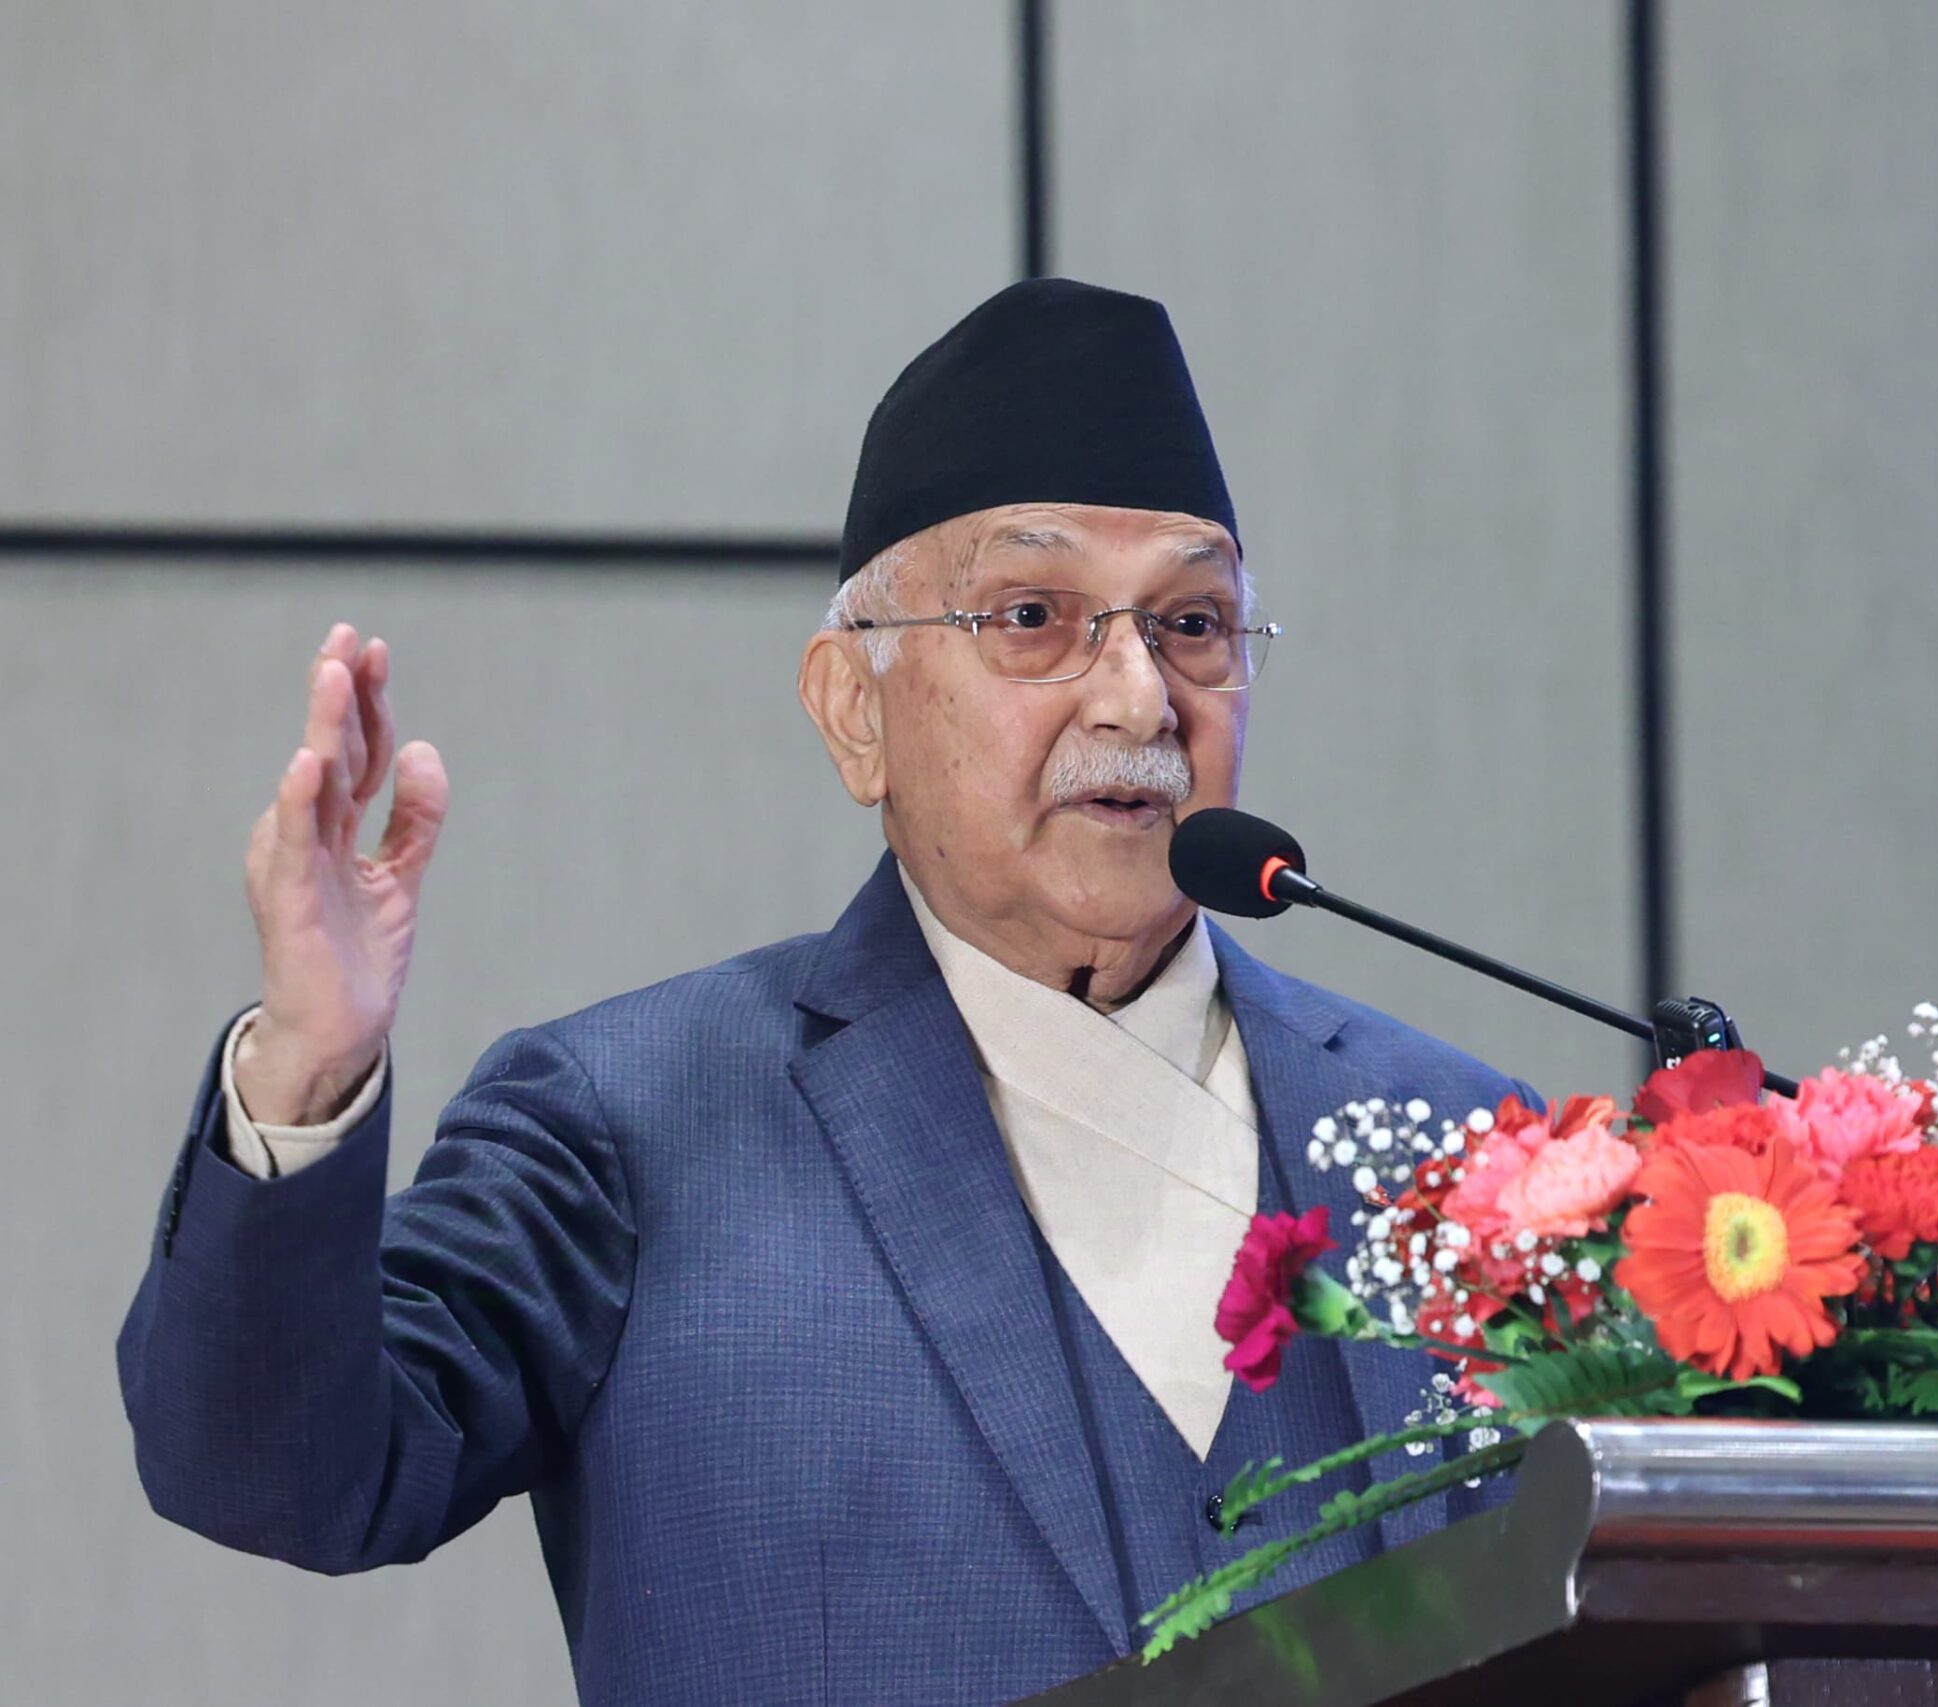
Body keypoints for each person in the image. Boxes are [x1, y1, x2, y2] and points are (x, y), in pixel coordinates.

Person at [117, 278, 1532, 1706]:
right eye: (1032, 615)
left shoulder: (1464, 1147)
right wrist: (307, 1064)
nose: (1136, 699)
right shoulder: (631, 1122)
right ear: (856, 710)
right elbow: (276, 1470)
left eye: (1194, 623)